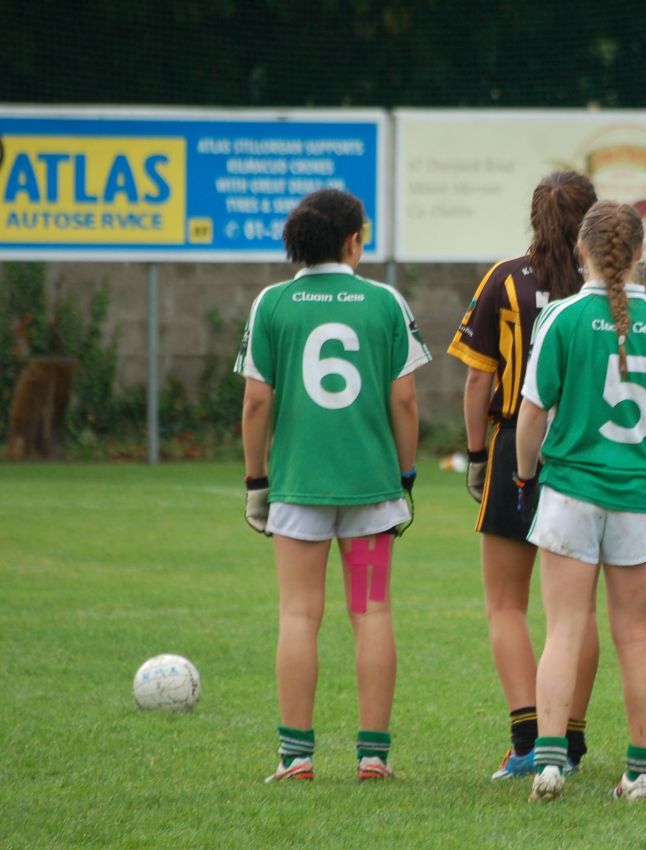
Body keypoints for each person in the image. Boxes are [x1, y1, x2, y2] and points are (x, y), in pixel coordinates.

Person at [516, 201, 646, 802]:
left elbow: (532, 414)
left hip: (571, 495)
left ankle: (551, 763)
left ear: (581, 252)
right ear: (639, 255)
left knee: (563, 630)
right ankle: (641, 772)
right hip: (636, 500)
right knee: (633, 634)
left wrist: (524, 479)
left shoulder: (562, 318)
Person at [236, 188, 430, 783]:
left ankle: (296, 758)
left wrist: (255, 482)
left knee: (299, 615)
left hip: (297, 488)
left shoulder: (273, 303)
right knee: (371, 613)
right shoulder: (383, 302)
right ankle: (373, 756)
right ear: (352, 240)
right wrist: (404, 475)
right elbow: (404, 400)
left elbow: (256, 403)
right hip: (372, 490)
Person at [446, 171, 602, 780]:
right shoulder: (607, 288)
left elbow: (478, 377)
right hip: (588, 450)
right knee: (578, 611)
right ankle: (575, 739)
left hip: (518, 441)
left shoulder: (506, 278)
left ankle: (527, 740)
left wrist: (478, 455)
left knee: (506, 605)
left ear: (536, 218)